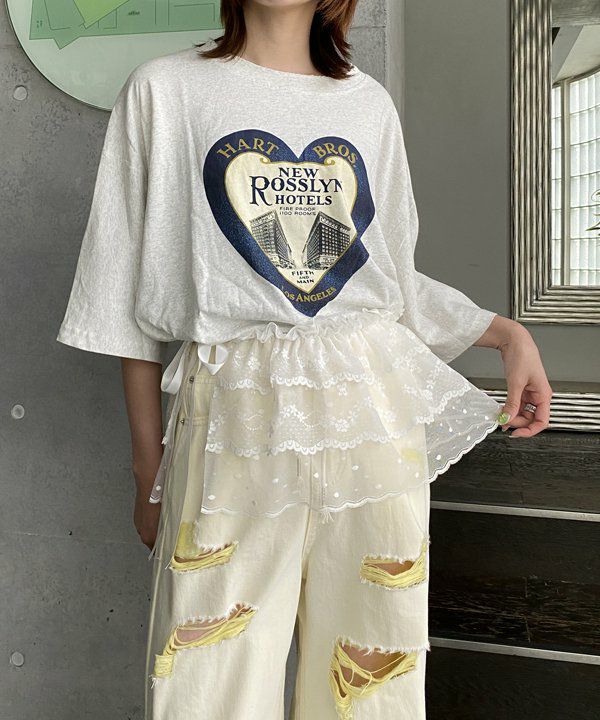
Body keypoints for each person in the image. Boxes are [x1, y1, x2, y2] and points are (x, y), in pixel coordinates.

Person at [56, 1, 552, 718]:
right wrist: (148, 471)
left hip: (371, 419)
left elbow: (385, 281)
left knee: (373, 676)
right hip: (233, 423)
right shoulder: (165, 90)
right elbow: (124, 296)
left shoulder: (366, 104)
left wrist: (506, 334)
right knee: (208, 684)